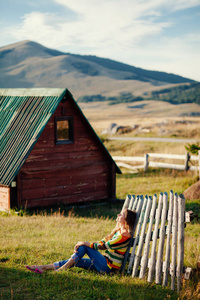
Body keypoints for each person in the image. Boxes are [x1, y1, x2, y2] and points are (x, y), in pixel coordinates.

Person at [25, 208, 136, 274]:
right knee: (75, 260)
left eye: (121, 214)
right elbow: (101, 242)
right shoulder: (118, 232)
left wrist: (83, 243)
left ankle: (61, 270)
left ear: (126, 220)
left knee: (85, 246)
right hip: (103, 263)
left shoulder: (124, 236)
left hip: (108, 268)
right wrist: (84, 243)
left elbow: (103, 246)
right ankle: (42, 267)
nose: (118, 214)